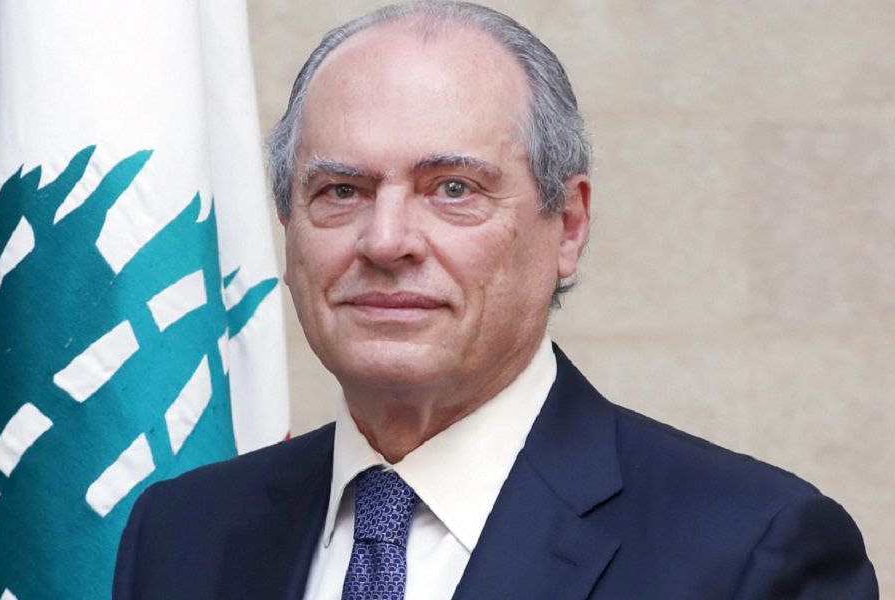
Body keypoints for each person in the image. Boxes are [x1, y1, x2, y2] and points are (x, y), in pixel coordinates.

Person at [112, 2, 878, 598]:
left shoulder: (749, 552)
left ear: (567, 226)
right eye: (341, 190)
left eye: (453, 188)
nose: (386, 240)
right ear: (288, 228)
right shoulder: (180, 535)